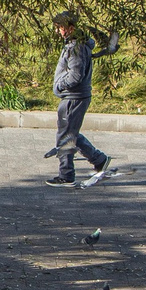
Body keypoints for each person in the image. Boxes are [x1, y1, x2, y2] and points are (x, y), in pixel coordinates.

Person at [44, 11, 119, 188]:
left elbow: (75, 75)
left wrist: (60, 85)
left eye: (61, 28)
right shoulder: (77, 45)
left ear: (71, 28)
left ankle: (66, 174)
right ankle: (99, 160)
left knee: (65, 136)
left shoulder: (76, 48)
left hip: (73, 96)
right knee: (71, 133)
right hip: (76, 96)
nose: (59, 32)